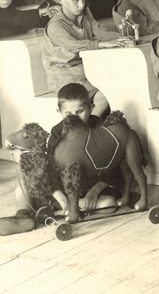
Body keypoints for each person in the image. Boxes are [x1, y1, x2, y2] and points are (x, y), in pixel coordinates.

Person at [47, 83, 148, 221]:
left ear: (91, 108)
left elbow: (112, 161)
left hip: (94, 185)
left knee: (109, 204)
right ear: (59, 113)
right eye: (68, 114)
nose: (74, 118)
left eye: (80, 112)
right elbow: (53, 166)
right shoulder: (57, 132)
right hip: (67, 186)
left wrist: (95, 191)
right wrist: (59, 194)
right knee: (27, 186)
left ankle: (65, 208)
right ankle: (65, 204)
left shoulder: (100, 128)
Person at [43, 0, 134, 119]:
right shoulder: (55, 25)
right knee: (107, 92)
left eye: (83, 0)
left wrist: (122, 37)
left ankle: (91, 124)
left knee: (117, 85)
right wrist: (100, 44)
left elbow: (100, 32)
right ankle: (89, 125)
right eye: (76, 1)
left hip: (87, 72)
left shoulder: (83, 18)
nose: (81, 5)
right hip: (65, 77)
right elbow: (72, 45)